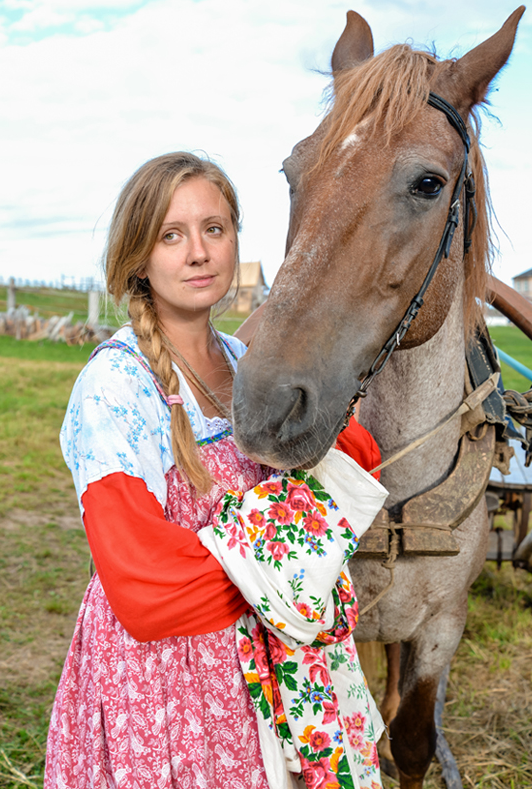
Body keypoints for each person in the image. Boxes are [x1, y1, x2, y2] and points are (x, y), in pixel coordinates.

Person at [45, 152, 385, 789]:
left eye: (214, 229)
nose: (198, 252)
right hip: (169, 685)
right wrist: (297, 568)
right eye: (170, 236)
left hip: (269, 670)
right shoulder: (116, 387)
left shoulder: (250, 364)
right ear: (138, 259)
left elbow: (344, 467)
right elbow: (146, 588)